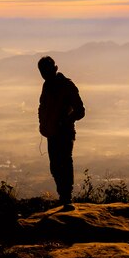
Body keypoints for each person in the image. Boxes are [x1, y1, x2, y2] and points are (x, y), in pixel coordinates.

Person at [38, 56, 85, 207]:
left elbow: (80, 111)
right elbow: (42, 106)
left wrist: (65, 121)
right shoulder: (46, 86)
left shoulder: (67, 85)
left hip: (64, 133)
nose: (44, 74)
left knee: (64, 162)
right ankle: (63, 196)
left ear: (55, 68)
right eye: (42, 72)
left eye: (46, 70)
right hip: (52, 133)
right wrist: (43, 123)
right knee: (55, 165)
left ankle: (66, 197)